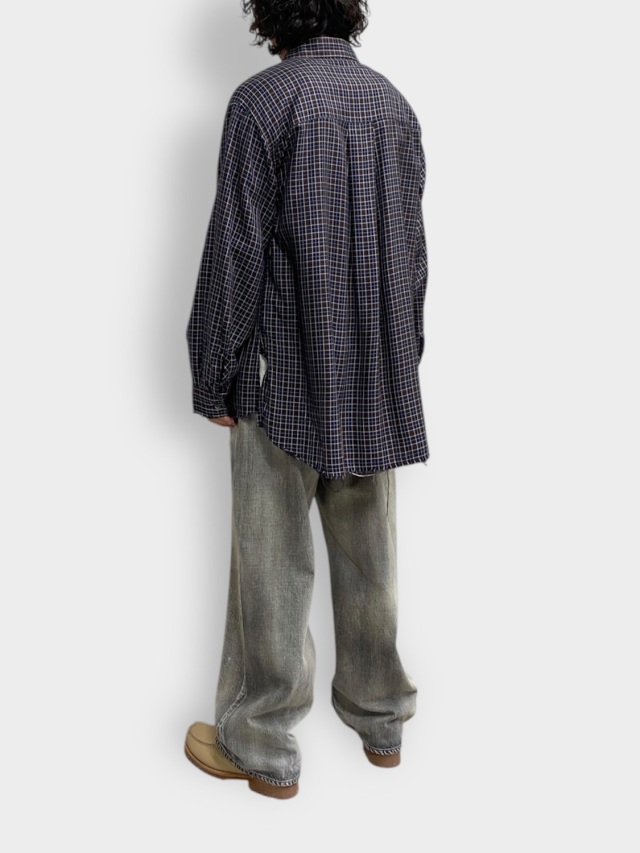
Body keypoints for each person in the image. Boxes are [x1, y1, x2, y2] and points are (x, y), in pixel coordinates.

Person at [184, 0, 429, 799]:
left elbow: (237, 246)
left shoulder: (263, 102)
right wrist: (402, 359)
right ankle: (382, 721)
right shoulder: (393, 103)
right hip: (376, 371)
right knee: (371, 552)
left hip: (282, 371)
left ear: (271, 12)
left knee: (272, 561)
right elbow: (413, 252)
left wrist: (215, 369)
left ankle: (260, 744)